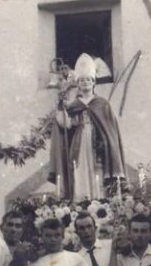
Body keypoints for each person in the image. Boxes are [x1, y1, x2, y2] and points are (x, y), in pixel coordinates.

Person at [49, 53, 126, 201]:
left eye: (88, 80)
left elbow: (111, 132)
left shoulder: (102, 105)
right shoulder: (73, 106)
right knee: (80, 172)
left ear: (93, 82)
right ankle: (82, 202)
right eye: (82, 80)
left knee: (98, 172)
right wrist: (61, 109)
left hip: (99, 147)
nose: (85, 83)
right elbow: (66, 124)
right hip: (79, 145)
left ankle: (99, 202)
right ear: (77, 83)